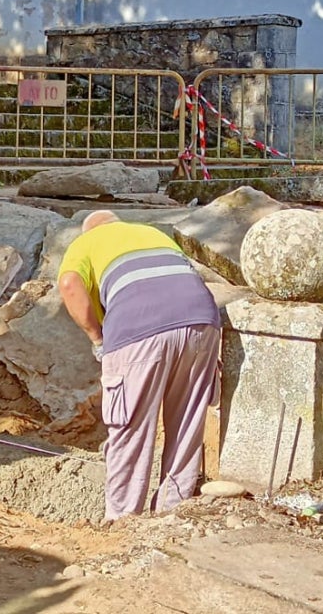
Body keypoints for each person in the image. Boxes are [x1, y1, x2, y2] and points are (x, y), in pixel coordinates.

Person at [57, 210, 220, 521]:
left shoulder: (88, 240)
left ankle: (123, 520)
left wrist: (97, 339)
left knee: (130, 427)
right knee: (187, 421)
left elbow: (68, 283)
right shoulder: (153, 234)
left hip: (137, 329)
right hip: (202, 321)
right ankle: (173, 513)